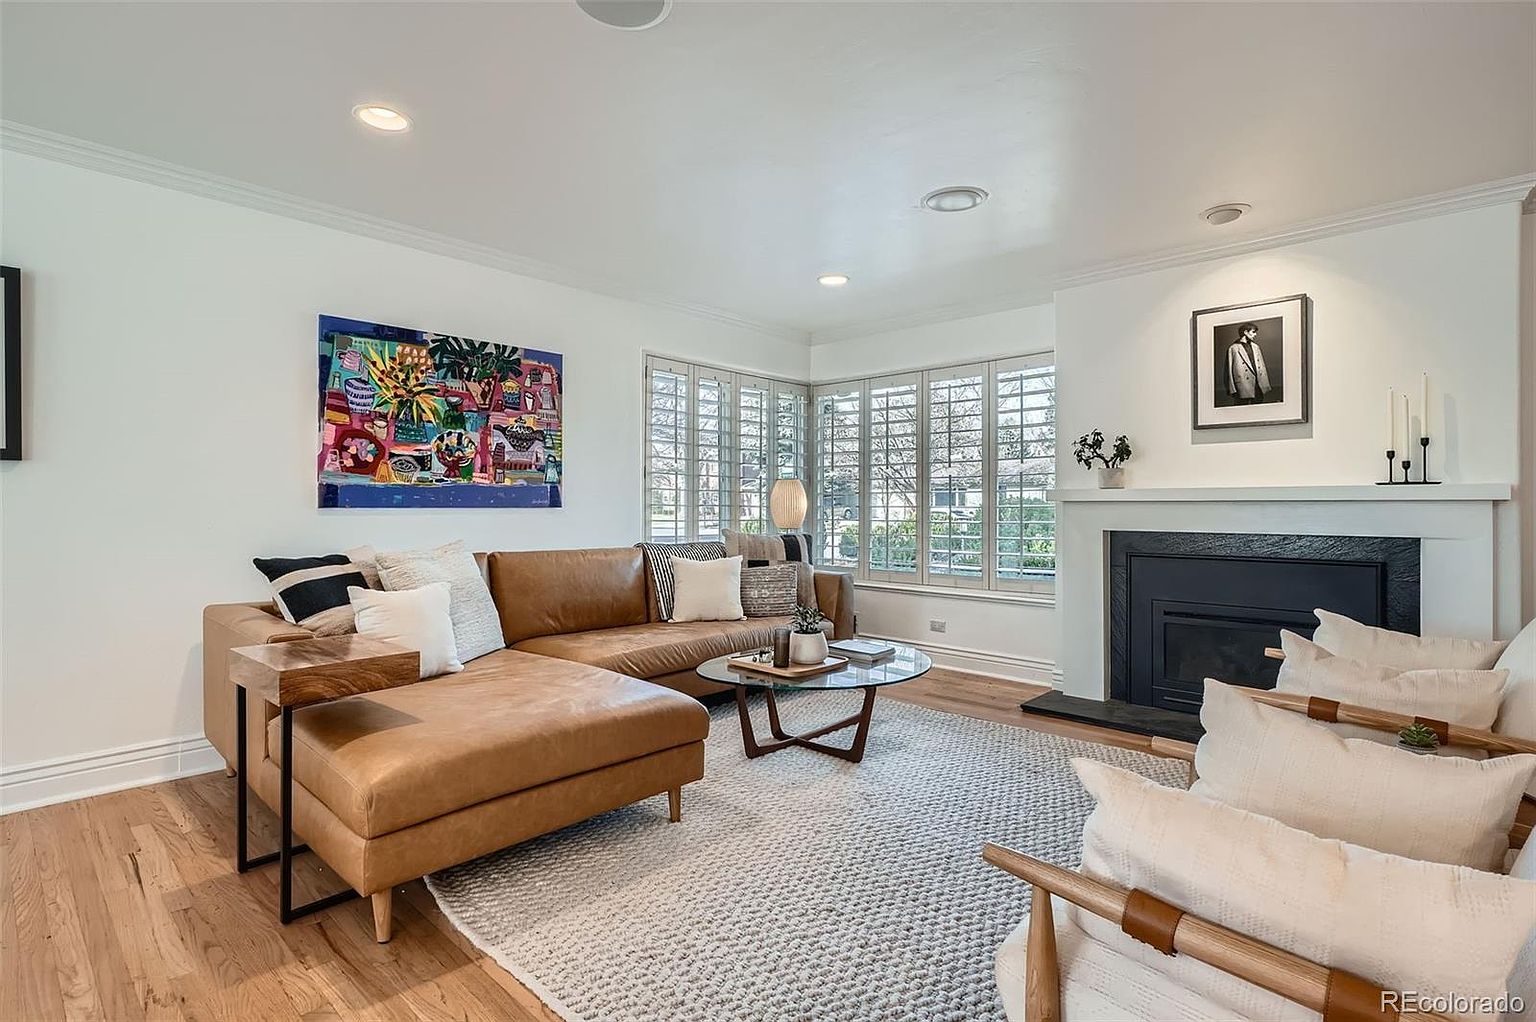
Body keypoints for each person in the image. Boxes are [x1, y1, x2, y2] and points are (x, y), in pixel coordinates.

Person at [1225, 322, 1271, 404]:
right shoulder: (1233, 348)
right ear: (1245, 332)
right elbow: (1228, 371)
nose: (1255, 334)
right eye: (1253, 332)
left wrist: (1265, 383)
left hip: (1258, 384)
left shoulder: (1256, 347)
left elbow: (1262, 366)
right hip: (1242, 386)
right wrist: (1232, 389)